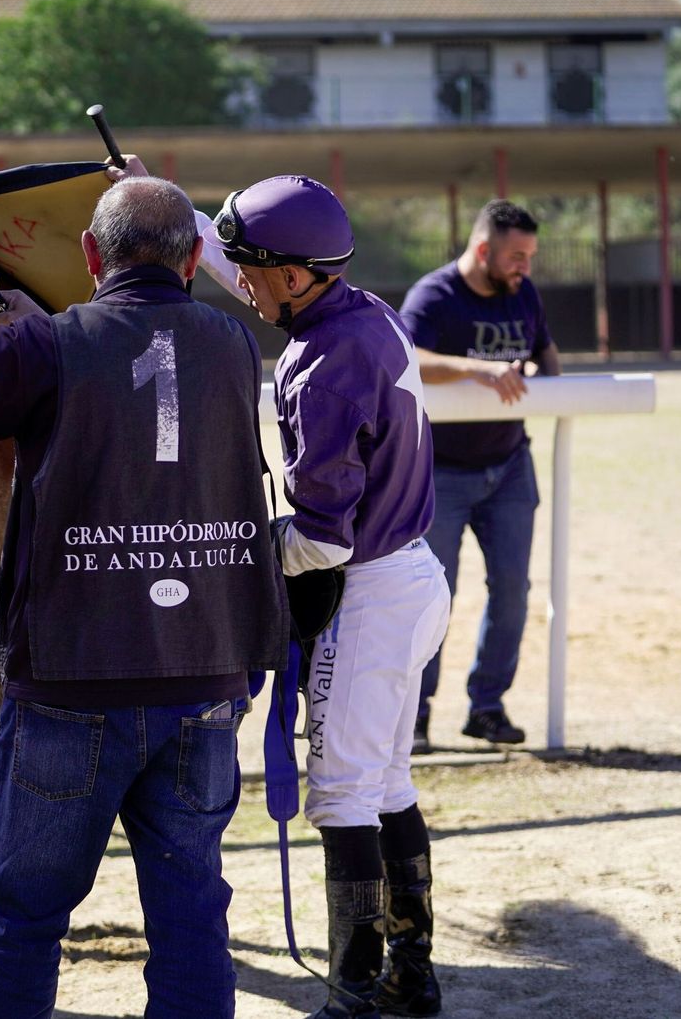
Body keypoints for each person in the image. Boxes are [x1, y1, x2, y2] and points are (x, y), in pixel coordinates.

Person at [0, 175, 289, 1019]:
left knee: (26, 920)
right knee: (190, 923)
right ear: (190, 265)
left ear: (91, 256)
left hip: (73, 689)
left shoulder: (48, 346)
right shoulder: (233, 343)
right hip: (204, 683)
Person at [169, 157, 450, 1019]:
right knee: (387, 783)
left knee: (340, 797)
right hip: (414, 581)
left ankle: (356, 991)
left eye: (251, 272)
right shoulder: (362, 314)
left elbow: (322, 540)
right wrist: (175, 207)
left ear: (294, 276)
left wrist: (241, 549)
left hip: (363, 588)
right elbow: (257, 276)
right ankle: (410, 976)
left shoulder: (320, 366)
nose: (242, 287)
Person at [398, 200, 561, 752]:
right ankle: (414, 715)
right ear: (484, 249)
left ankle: (486, 709)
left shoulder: (524, 294)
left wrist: (534, 371)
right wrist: (482, 370)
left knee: (513, 589)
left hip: (511, 467)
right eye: (517, 256)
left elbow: (546, 357)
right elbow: (406, 358)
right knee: (432, 595)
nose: (525, 268)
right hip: (439, 472)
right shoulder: (434, 295)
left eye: (531, 257)